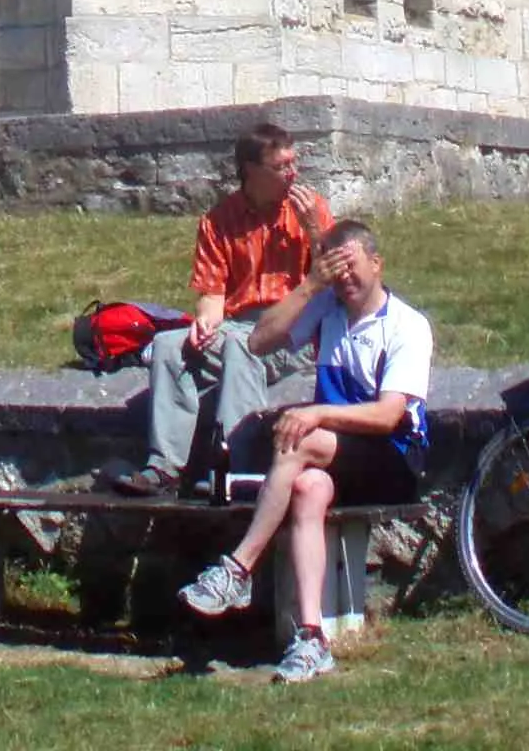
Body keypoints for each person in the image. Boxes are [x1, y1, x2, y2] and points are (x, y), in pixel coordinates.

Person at [178, 220, 431, 684]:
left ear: (377, 264)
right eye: (335, 271)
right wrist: (309, 286)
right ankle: (312, 638)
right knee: (309, 487)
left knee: (300, 438)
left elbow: (388, 417)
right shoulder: (328, 307)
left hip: (393, 457)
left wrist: (317, 415)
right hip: (337, 454)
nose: (345, 279)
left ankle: (238, 568)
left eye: (352, 267)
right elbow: (258, 342)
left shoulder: (407, 325)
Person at [110, 122, 332, 496]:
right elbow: (213, 295)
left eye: (294, 163)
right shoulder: (218, 221)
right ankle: (163, 468)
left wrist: (314, 230)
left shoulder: (309, 212)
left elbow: (334, 277)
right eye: (280, 167)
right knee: (167, 347)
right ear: (251, 170)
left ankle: (236, 468)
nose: (292, 174)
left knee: (239, 346)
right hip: (239, 325)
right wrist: (204, 322)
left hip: (293, 330)